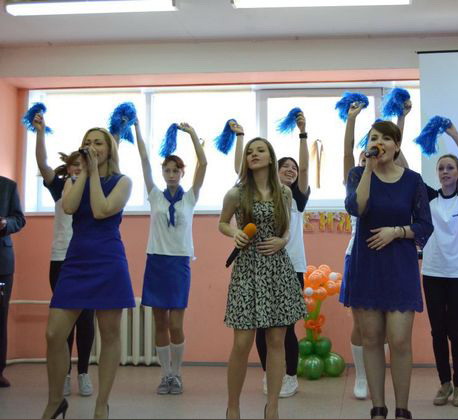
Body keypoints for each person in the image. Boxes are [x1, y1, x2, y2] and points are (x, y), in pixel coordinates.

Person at [42, 127, 134, 419]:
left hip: (108, 260)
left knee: (109, 334)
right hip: (76, 260)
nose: (92, 146)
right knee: (54, 333)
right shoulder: (73, 180)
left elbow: (101, 209)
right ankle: (56, 401)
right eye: (87, 142)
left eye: (98, 143)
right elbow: (69, 207)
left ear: (109, 149)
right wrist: (83, 172)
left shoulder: (123, 182)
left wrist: (93, 173)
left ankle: (101, 405)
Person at [343, 120, 433, 419]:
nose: (377, 142)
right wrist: (368, 169)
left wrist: (396, 232)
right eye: (373, 138)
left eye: (384, 138)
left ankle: (402, 409)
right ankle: (378, 408)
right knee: (370, 339)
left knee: (399, 340)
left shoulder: (413, 180)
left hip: (400, 266)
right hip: (367, 266)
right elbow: (356, 208)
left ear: (396, 145)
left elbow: (425, 225)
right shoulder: (358, 174)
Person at [219, 137, 307, 419]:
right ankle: (233, 408)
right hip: (247, 270)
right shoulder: (236, 193)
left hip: (278, 270)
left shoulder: (285, 192)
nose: (254, 154)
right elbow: (222, 223)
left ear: (270, 157)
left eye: (260, 150)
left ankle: (273, 407)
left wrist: (283, 241)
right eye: (250, 152)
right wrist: (235, 232)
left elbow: (286, 229)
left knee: (277, 341)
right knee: (241, 344)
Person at [340, 100, 412, 400]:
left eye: (382, 143)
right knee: (363, 326)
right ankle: (361, 375)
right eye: (368, 147)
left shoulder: (398, 177)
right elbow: (347, 152)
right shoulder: (356, 177)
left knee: (390, 329)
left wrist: (400, 119)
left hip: (389, 255)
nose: (374, 150)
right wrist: (351, 120)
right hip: (358, 255)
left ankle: (383, 384)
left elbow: (398, 151)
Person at [136, 120, 207, 395]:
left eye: (175, 170)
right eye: (166, 170)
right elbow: (144, 159)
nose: (171, 174)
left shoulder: (190, 198)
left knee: (176, 324)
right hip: (156, 261)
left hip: (179, 263)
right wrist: (137, 128)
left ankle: (177, 374)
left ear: (182, 172)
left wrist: (192, 134)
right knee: (160, 323)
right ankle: (164, 375)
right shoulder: (155, 195)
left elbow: (204, 164)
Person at [33, 113, 95, 397]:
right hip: (61, 260)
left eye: (82, 164)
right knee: (65, 320)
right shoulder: (59, 187)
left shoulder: (93, 189)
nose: (77, 168)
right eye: (74, 164)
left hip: (87, 259)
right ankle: (66, 374)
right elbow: (42, 164)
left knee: (86, 320)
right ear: (68, 168)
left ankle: (84, 373)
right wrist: (40, 132)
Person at [420, 122, 458, 408]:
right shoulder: (429, 198)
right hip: (432, 273)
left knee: (456, 331)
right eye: (441, 168)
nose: (445, 172)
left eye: (450, 168)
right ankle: (444, 383)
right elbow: (404, 169)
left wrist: (454, 134)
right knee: (437, 332)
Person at [0, 175, 26, 388]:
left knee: (0, 317)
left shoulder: (8, 186)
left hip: (2, 265)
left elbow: (19, 219)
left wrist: (5, 223)